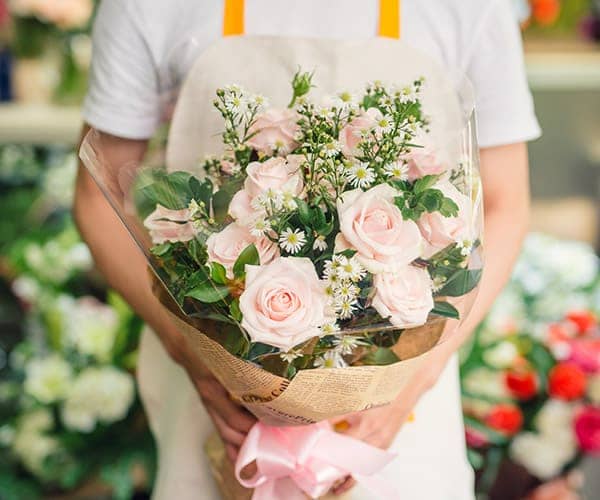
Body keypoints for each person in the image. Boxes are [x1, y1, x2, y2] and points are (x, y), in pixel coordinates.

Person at [74, 1, 540, 498]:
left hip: (400, 395)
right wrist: (198, 363)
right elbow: (96, 199)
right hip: (214, 390)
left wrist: (414, 380)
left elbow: (505, 201)